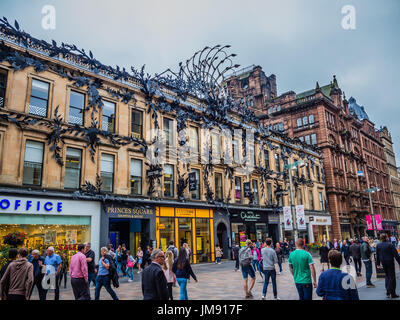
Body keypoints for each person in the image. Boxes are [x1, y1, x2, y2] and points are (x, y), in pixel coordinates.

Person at [376, 233, 400, 298]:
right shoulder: (390, 245)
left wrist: (378, 264)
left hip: (383, 262)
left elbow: (377, 255)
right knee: (392, 277)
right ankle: (392, 293)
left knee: (387, 276)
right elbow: (396, 255)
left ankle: (388, 291)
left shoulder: (378, 245)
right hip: (390, 262)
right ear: (386, 237)